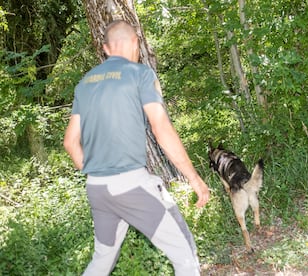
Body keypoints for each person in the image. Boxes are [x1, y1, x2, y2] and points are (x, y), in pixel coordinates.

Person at [63, 20, 210, 276]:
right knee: (186, 255)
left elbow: (70, 143)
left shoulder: (84, 83)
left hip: (97, 189)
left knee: (102, 260)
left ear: (106, 48)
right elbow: (161, 128)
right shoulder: (140, 74)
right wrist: (194, 179)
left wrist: (98, 173)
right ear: (135, 43)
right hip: (132, 185)